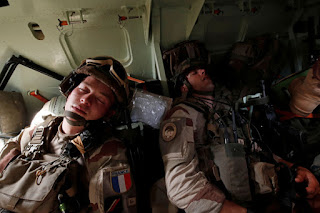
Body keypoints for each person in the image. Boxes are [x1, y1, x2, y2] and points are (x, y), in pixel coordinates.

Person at [158, 58, 320, 213]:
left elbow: (254, 150)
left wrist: (294, 168)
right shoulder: (182, 115)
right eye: (193, 72)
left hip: (268, 196)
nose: (202, 71)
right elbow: (181, 187)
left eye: (201, 68)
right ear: (184, 87)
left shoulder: (223, 114)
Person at [0, 56, 137, 213]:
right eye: (83, 90)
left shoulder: (109, 154)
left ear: (109, 113)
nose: (86, 99)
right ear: (70, 91)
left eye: (100, 100)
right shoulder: (39, 129)